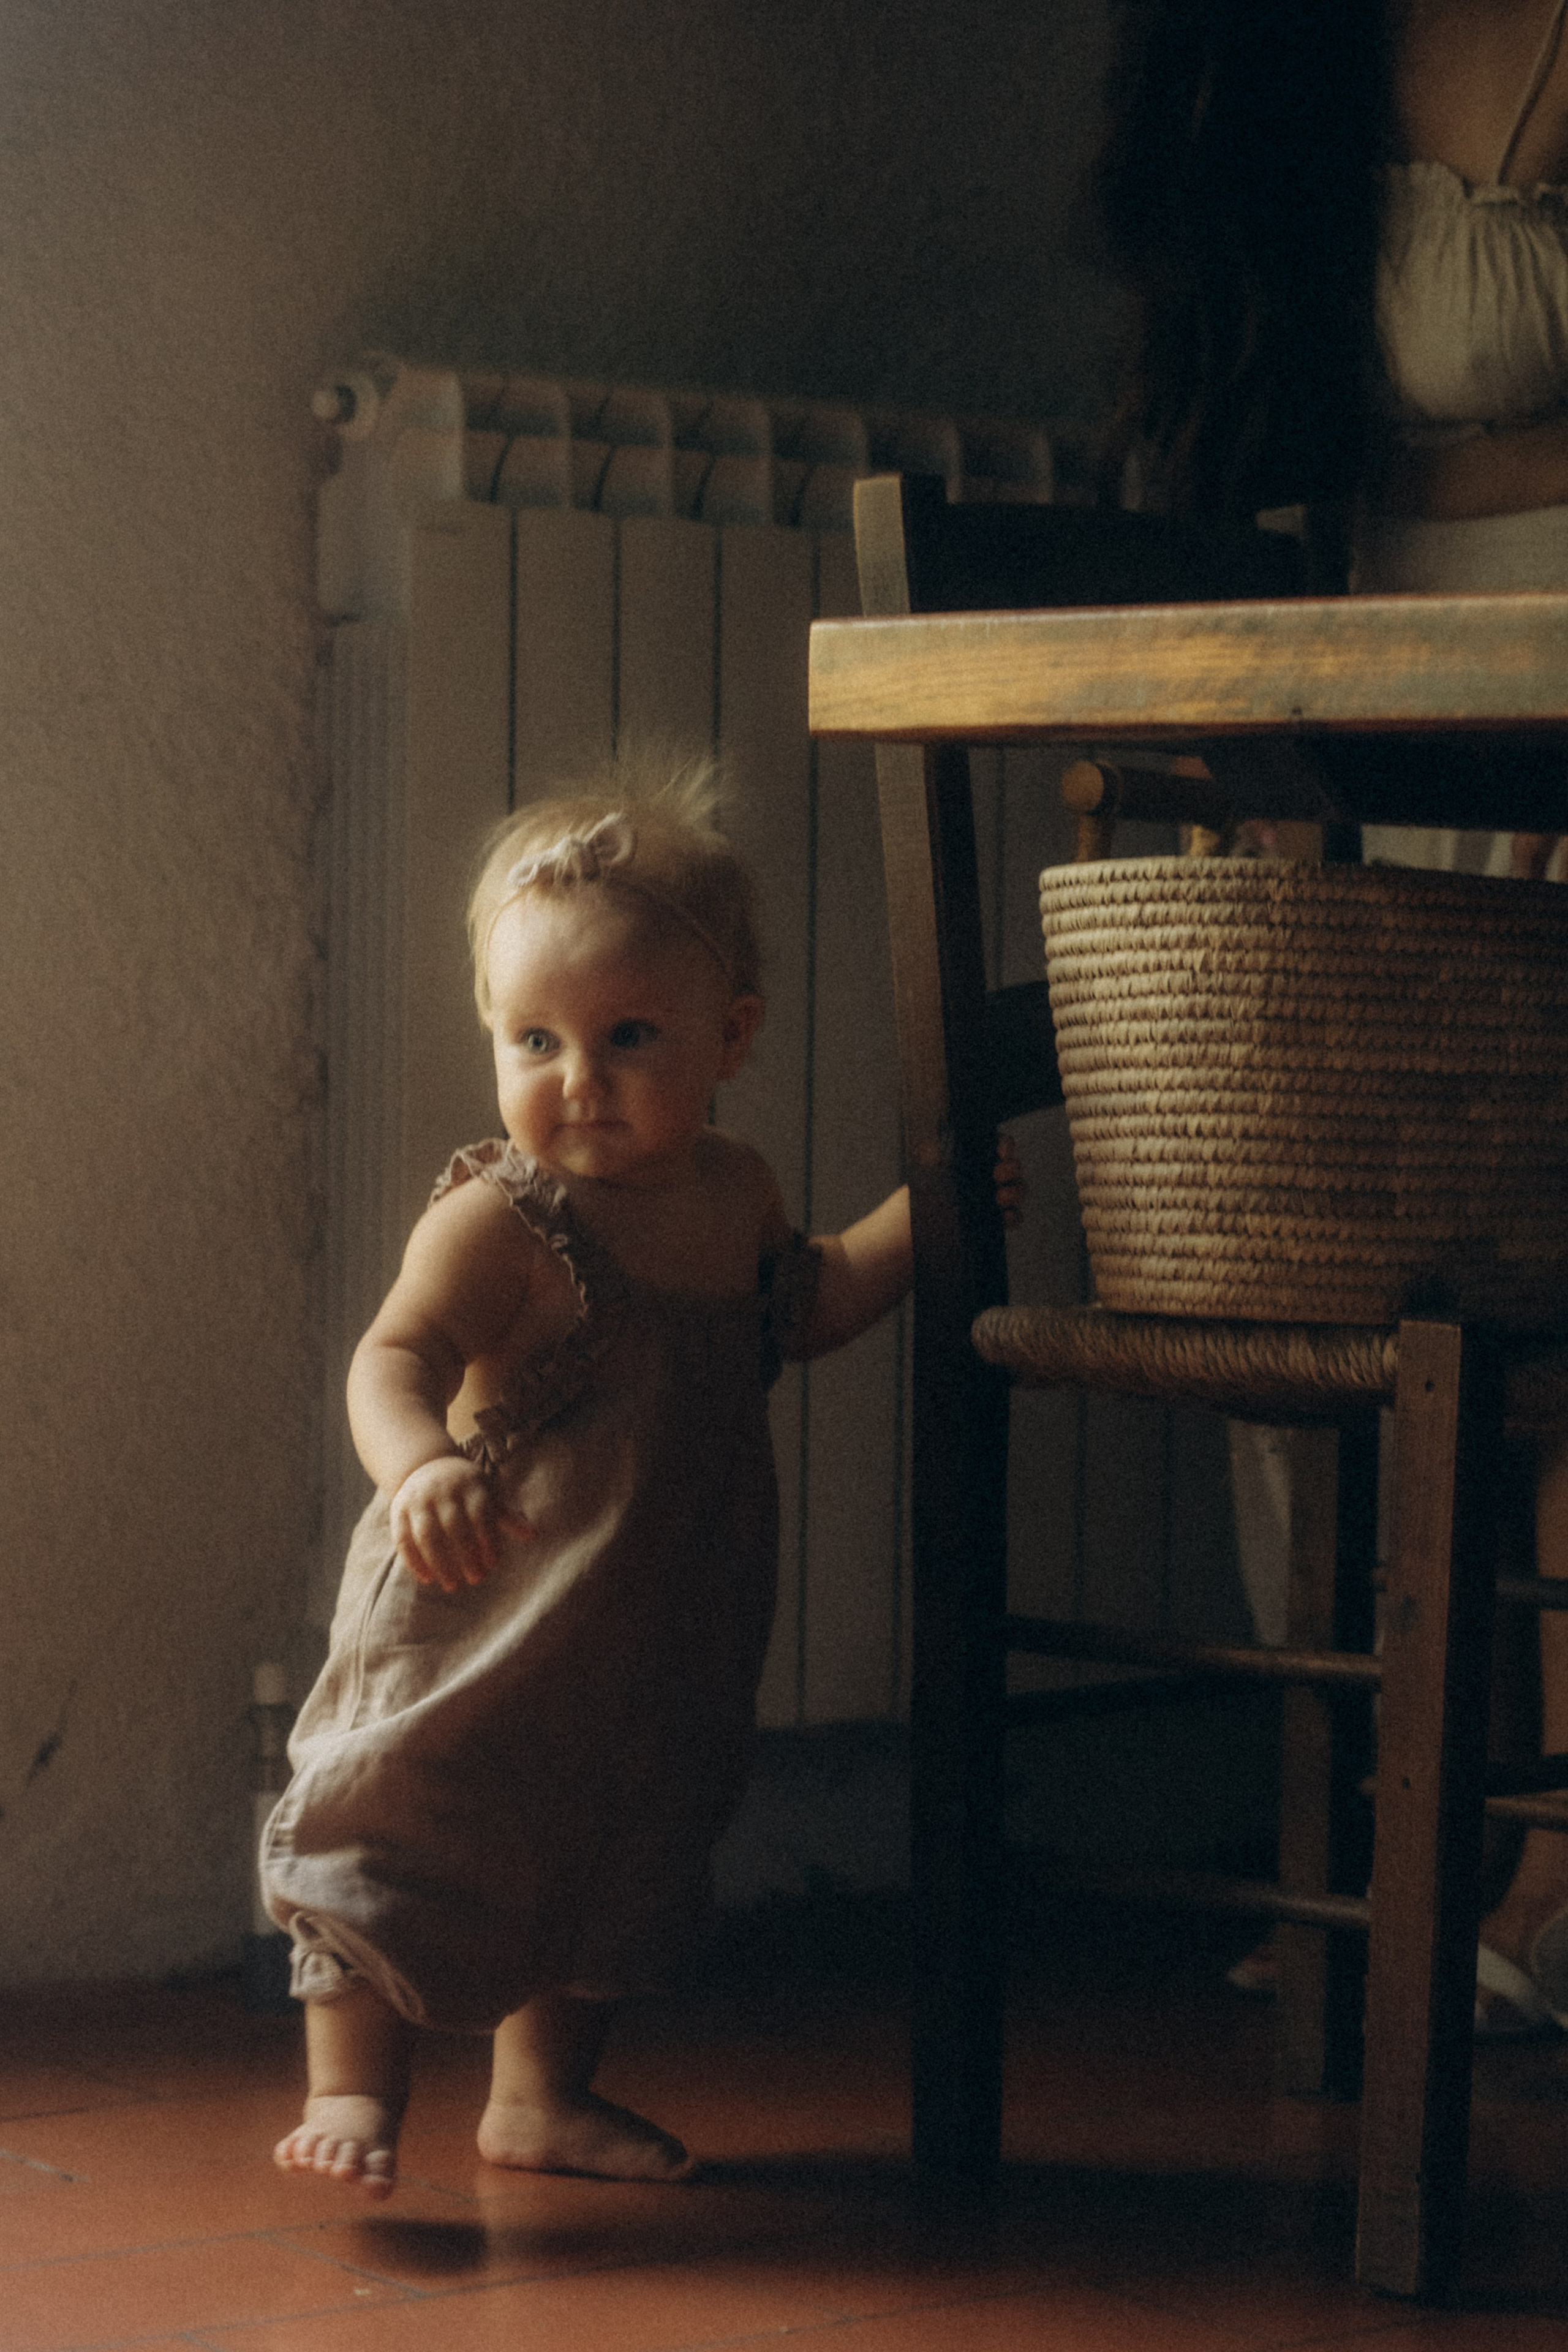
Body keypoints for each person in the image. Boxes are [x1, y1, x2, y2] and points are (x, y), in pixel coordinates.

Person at [262, 752, 1022, 2196]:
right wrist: (418, 1466)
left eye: (626, 1036)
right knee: (403, 1821)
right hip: (477, 1609)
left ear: (729, 1035)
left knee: (615, 1852)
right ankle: (353, 2086)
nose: (577, 1081)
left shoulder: (735, 1194)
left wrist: (920, 1220)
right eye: (533, 1040)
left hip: (651, 1628)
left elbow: (805, 1304)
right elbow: (391, 1356)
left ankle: (539, 2099)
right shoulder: (501, 1219)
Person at [1099, 0, 1568, 2032]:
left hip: (1546, 679)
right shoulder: (1264, 46)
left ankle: (1548, 1864)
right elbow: (1251, 426)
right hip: (1373, 686)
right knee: (1315, 1264)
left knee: (1549, 1297)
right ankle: (1387, 1843)